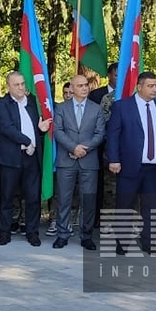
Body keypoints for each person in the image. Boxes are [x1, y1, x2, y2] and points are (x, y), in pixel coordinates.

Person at [106, 71, 156, 254]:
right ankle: (122, 242)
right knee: (125, 205)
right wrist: (114, 159)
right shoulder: (122, 107)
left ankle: (148, 242)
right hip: (129, 166)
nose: (154, 89)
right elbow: (113, 135)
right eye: (150, 86)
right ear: (139, 87)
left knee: (152, 207)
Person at [0, 71, 52, 246]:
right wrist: (27, 142)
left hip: (31, 158)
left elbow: (35, 127)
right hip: (10, 159)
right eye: (16, 85)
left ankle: (32, 232)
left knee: (33, 198)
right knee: (7, 197)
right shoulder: (2, 104)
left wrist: (40, 130)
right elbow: (7, 128)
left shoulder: (32, 102)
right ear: (8, 86)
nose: (20, 87)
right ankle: (4, 233)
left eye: (22, 84)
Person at [51, 75, 105, 250]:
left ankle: (86, 236)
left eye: (86, 85)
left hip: (89, 161)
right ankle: (62, 234)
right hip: (66, 160)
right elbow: (58, 131)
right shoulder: (61, 108)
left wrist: (84, 149)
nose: (84, 88)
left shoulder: (97, 109)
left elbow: (100, 134)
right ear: (72, 88)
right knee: (64, 199)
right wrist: (73, 148)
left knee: (88, 199)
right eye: (80, 85)